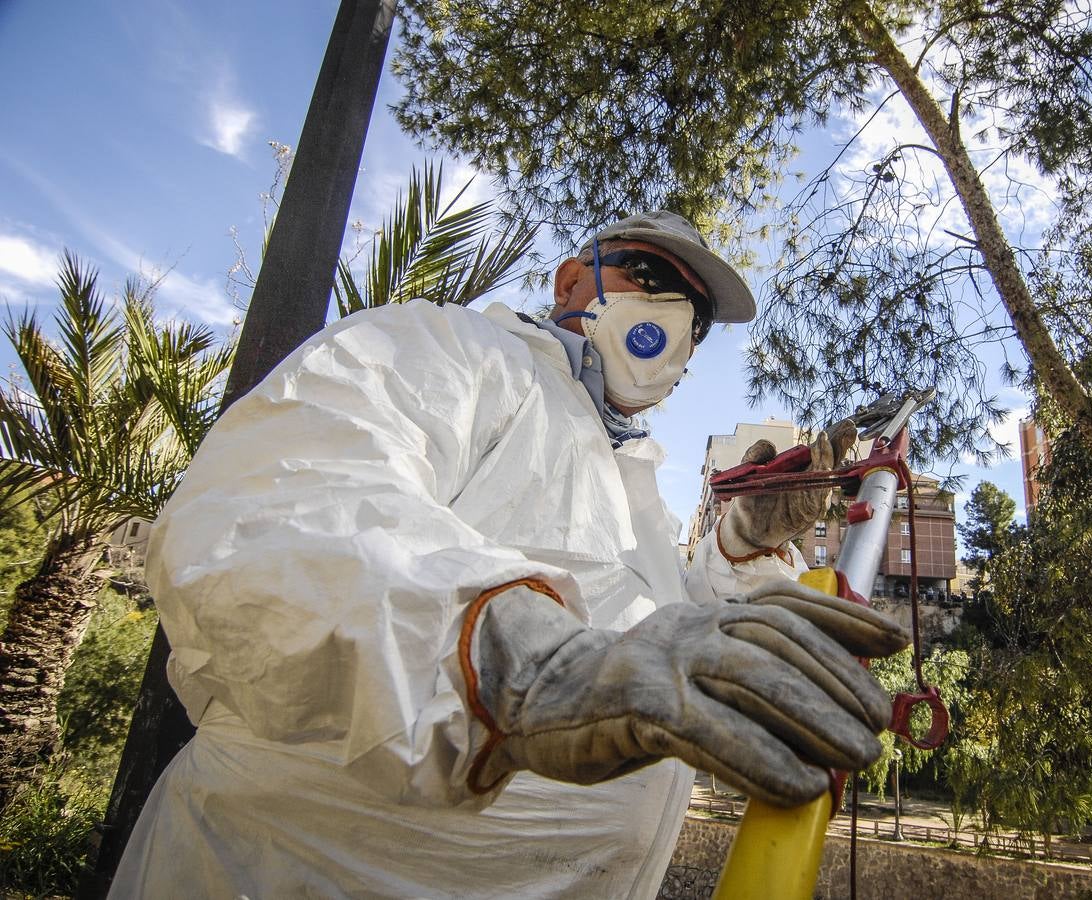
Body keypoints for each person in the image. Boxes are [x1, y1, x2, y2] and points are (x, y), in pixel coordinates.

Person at [110, 211, 906, 898]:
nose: (672, 316)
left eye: (694, 316)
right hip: (298, 874)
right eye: (648, 274)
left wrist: (740, 544)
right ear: (571, 282)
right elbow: (286, 506)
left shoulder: (625, 472)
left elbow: (654, 634)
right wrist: (518, 666)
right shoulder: (450, 349)